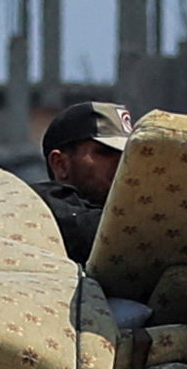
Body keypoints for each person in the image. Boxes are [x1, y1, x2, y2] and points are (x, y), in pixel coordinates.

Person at [32, 99, 132, 263]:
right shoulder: (41, 205)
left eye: (128, 153)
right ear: (60, 164)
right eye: (105, 152)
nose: (122, 162)